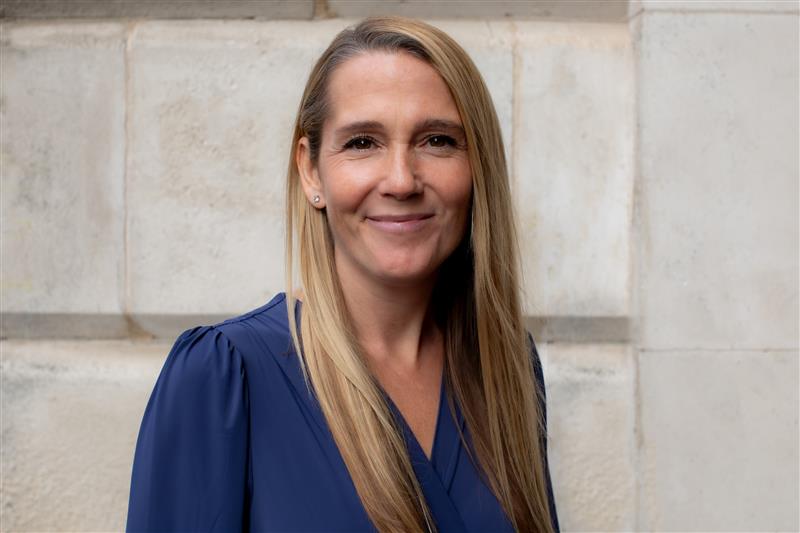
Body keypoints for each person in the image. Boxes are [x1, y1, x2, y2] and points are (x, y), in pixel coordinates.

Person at [126, 16, 560, 533]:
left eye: (438, 140)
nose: (401, 180)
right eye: (362, 143)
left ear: (477, 168)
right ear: (311, 171)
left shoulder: (505, 368)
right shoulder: (224, 377)